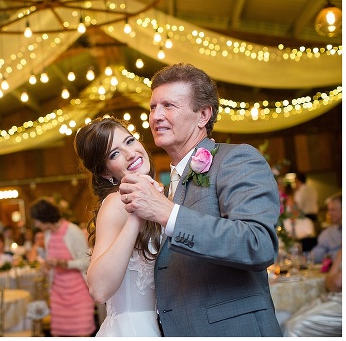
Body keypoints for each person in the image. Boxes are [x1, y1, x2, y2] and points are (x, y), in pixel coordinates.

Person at [119, 63, 281, 336]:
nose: (156, 116)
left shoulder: (235, 159)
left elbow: (258, 243)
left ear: (203, 115)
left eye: (169, 106)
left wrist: (168, 214)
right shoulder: (166, 184)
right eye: (152, 107)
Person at [74, 118, 161, 336]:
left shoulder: (157, 197)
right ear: (105, 173)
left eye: (130, 141)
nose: (131, 153)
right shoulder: (116, 203)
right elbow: (99, 289)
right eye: (114, 154)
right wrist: (136, 216)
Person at [29, 197, 95, 336]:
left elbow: (86, 261)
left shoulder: (72, 231)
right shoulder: (48, 234)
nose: (36, 225)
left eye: (36, 220)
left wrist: (63, 263)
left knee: (81, 333)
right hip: (58, 294)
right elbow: (51, 259)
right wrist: (47, 266)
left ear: (44, 217)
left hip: (78, 294)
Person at [283, 247, 341, 336]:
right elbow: (329, 283)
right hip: (331, 297)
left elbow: (336, 282)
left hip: (340, 302)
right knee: (286, 320)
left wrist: (334, 280)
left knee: (292, 327)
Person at [310, 193, 342, 263]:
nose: (329, 213)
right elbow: (315, 256)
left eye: (333, 210)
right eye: (329, 210)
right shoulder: (327, 233)